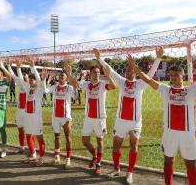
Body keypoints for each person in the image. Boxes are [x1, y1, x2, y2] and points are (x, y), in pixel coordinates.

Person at [94, 47, 163, 184]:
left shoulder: (141, 83)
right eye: (127, 70)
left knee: (133, 146)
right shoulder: (121, 81)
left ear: (136, 72)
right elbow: (111, 70)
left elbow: (150, 73)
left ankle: (130, 172)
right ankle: (117, 169)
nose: (129, 72)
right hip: (120, 121)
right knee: (116, 146)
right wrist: (99, 58)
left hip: (135, 122)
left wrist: (158, 58)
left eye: (132, 70)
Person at [128, 56, 196, 185]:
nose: (173, 77)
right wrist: (135, 67)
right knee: (168, 161)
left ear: (183, 75)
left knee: (191, 164)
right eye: (171, 75)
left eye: (176, 75)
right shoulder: (166, 90)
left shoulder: (191, 90)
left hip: (188, 134)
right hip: (169, 133)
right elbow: (147, 79)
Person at [78, 65, 116, 174]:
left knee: (100, 141)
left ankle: (98, 163)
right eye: (95, 72)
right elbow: (76, 84)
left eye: (99, 72)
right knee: (85, 141)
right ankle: (94, 156)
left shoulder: (103, 84)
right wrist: (72, 73)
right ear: (90, 73)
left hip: (100, 118)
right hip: (88, 118)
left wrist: (108, 75)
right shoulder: (86, 84)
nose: (97, 74)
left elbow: (114, 86)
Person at [9, 57, 47, 166]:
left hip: (36, 117)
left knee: (40, 137)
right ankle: (33, 154)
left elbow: (40, 82)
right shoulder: (27, 88)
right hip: (27, 116)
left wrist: (32, 66)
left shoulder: (39, 90)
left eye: (33, 79)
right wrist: (18, 68)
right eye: (30, 80)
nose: (31, 81)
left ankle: (42, 157)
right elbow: (16, 78)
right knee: (28, 135)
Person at [44, 62, 77, 168]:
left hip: (66, 117)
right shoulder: (54, 87)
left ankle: (68, 159)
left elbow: (75, 97)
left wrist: (74, 84)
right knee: (57, 137)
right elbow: (45, 90)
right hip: (55, 117)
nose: (61, 77)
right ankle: (57, 157)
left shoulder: (70, 88)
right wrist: (44, 79)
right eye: (60, 76)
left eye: (63, 76)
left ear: (66, 79)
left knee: (68, 137)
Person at [7, 59, 30, 153]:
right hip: (19, 111)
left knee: (28, 130)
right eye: (23, 76)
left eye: (26, 76)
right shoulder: (21, 86)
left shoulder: (28, 86)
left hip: (27, 111)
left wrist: (18, 68)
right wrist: (8, 65)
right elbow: (13, 75)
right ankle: (22, 147)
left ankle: (31, 149)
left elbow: (18, 77)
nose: (24, 77)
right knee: (20, 129)